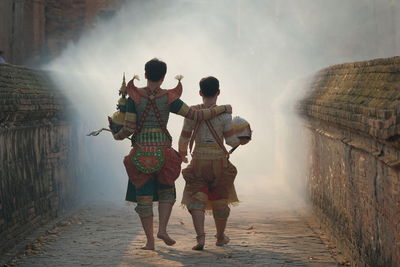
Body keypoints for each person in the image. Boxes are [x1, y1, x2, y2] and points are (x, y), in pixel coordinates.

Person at [111, 59, 232, 250]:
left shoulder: (134, 96)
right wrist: (223, 108)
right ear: (164, 76)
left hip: (141, 151)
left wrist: (117, 135)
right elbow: (197, 115)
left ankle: (150, 242)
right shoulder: (169, 97)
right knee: (166, 192)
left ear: (145, 74)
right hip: (164, 153)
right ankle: (163, 230)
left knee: (144, 197)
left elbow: (129, 128)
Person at [179, 76, 249, 250]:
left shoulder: (192, 114)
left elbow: (183, 138)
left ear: (200, 93)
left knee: (197, 199)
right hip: (219, 163)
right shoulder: (225, 116)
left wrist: (182, 155)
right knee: (220, 200)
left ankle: (200, 239)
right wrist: (244, 137)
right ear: (218, 92)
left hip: (198, 161)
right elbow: (231, 142)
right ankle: (219, 237)